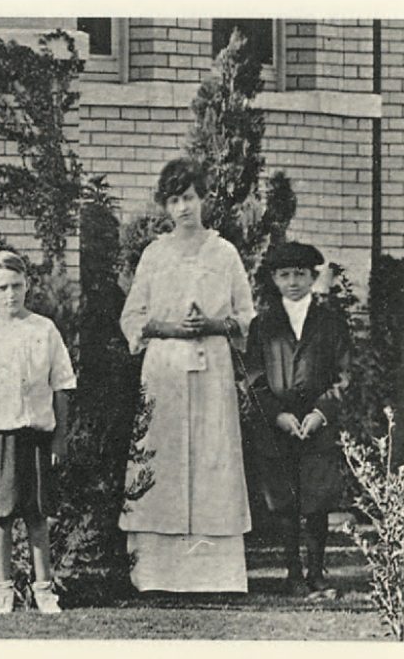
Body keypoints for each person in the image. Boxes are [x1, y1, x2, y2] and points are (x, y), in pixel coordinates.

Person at [118, 157, 255, 593]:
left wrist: (213, 325)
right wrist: (171, 327)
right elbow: (133, 317)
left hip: (211, 367)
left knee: (213, 460)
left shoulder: (224, 252)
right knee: (163, 459)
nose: (183, 208)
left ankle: (216, 577)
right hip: (164, 371)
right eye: (175, 200)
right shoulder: (155, 255)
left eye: (190, 197)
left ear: (203, 199)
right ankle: (157, 575)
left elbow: (246, 315)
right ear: (166, 206)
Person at [0, 251, 76, 614]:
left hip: (36, 433)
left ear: (27, 286)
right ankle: (4, 590)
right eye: (2, 288)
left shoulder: (44, 329)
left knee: (37, 513)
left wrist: (59, 436)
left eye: (16, 286)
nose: (10, 294)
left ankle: (44, 589)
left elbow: (61, 385)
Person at [244, 242, 349, 600]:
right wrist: (278, 415)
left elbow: (344, 375)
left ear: (312, 277)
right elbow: (255, 377)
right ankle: (293, 572)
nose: (293, 282)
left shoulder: (331, 322)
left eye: (300, 274)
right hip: (279, 427)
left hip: (317, 426)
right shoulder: (263, 325)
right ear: (274, 278)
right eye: (285, 275)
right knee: (286, 502)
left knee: (316, 501)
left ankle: (317, 572)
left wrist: (322, 413)